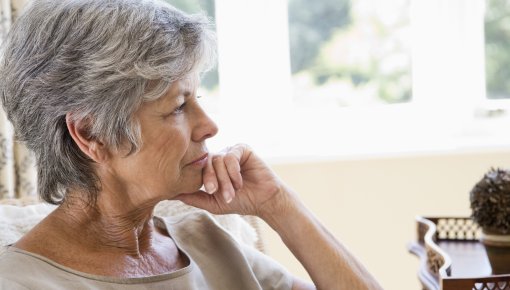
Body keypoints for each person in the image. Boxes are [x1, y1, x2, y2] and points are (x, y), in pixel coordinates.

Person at [0, 0, 383, 289]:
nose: (209, 126)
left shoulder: (206, 240)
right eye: (179, 106)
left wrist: (279, 205)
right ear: (91, 134)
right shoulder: (20, 282)